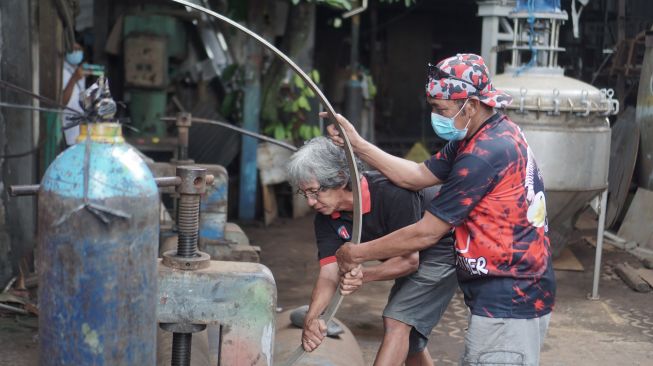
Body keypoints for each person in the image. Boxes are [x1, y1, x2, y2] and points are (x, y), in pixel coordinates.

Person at [326, 53, 556, 366]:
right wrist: (358, 145)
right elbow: (416, 176)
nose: (435, 116)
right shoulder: (480, 137)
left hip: (509, 297)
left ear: (471, 105)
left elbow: (426, 232)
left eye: (440, 109)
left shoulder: (483, 154)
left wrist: (356, 253)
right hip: (509, 292)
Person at [286, 136, 457, 366]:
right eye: (303, 193)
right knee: (411, 339)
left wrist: (363, 275)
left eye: (314, 192)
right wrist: (312, 318)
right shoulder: (326, 219)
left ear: (339, 178)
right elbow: (329, 273)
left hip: (441, 248)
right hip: (409, 254)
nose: (310, 202)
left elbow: (409, 262)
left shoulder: (392, 192)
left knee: (397, 320)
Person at [62, 42, 90, 145]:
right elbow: (61, 102)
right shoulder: (61, 71)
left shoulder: (78, 72)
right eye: (73, 49)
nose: (76, 52)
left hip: (78, 130)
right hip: (67, 129)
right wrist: (74, 79)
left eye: (79, 49)